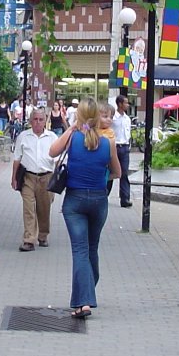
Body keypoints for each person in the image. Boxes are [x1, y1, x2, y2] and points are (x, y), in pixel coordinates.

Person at [49, 98, 121, 319]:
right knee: (92, 248)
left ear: (79, 116)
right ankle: (88, 291)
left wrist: (72, 127)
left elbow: (52, 152)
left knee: (80, 251)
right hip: (99, 200)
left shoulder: (73, 137)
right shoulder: (107, 143)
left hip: (75, 201)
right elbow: (117, 172)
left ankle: (83, 301)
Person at [11, 108, 57, 252]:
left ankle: (43, 235)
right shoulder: (23, 136)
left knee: (44, 209)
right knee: (28, 208)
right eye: (35, 119)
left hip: (46, 177)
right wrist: (13, 178)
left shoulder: (52, 137)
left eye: (40, 119)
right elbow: (17, 158)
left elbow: (57, 160)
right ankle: (29, 239)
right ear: (31, 121)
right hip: (28, 177)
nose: (37, 122)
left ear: (45, 121)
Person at [111, 95, 133, 208]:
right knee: (111, 172)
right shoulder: (113, 118)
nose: (127, 105)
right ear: (120, 104)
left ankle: (125, 198)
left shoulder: (127, 119)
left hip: (124, 148)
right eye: (126, 103)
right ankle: (104, 195)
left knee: (124, 173)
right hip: (114, 147)